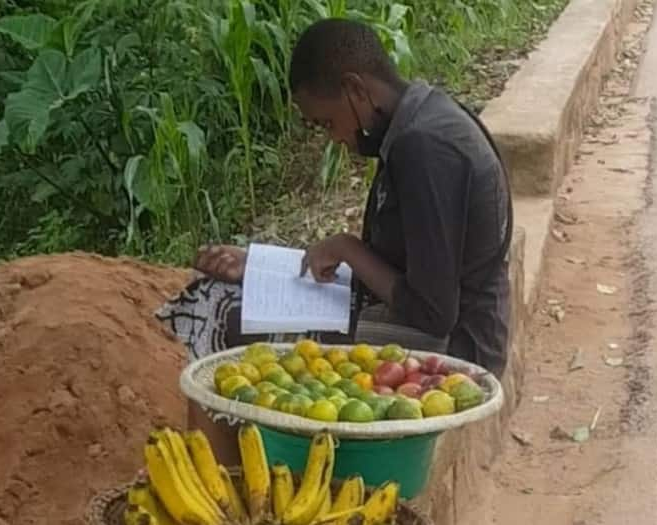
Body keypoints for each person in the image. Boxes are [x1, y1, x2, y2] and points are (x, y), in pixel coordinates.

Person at [165, 18, 512, 461]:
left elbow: (433, 310)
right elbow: (410, 265)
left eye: (328, 123)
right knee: (227, 290)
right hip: (440, 310)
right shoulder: (422, 116)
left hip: (460, 345)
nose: (335, 139)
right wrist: (268, 266)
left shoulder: (424, 149)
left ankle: (233, 489)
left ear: (355, 89)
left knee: (217, 312)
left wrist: (347, 248)